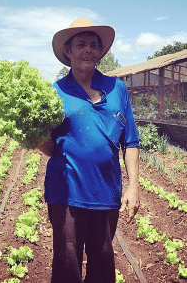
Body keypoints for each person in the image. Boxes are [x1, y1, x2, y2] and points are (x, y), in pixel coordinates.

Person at [38, 18, 140, 283]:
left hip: (106, 193)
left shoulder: (117, 89)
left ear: (100, 52)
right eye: (81, 44)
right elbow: (51, 148)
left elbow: (130, 142)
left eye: (94, 45)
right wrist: (31, 138)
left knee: (103, 262)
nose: (88, 50)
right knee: (67, 262)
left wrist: (133, 187)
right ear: (68, 52)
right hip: (66, 194)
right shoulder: (55, 93)